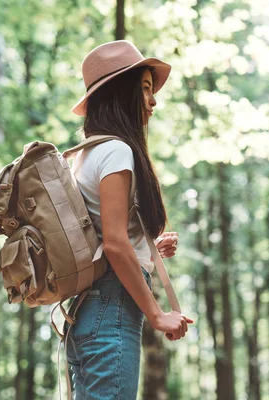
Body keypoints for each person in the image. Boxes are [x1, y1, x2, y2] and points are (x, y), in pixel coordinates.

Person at [66, 40, 194, 399]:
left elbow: (108, 234)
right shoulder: (117, 151)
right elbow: (115, 244)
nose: (153, 101)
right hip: (112, 309)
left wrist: (148, 246)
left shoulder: (87, 154)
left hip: (87, 311)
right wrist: (157, 315)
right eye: (145, 89)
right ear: (122, 92)